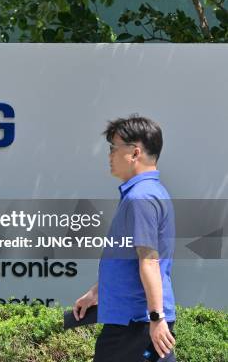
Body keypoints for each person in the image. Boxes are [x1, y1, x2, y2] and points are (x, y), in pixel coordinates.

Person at [73, 115, 176, 362]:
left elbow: (149, 261)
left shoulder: (140, 198)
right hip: (135, 322)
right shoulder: (149, 193)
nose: (109, 155)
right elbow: (129, 259)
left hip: (135, 324)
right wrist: (97, 292)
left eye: (113, 148)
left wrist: (156, 318)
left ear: (134, 153)